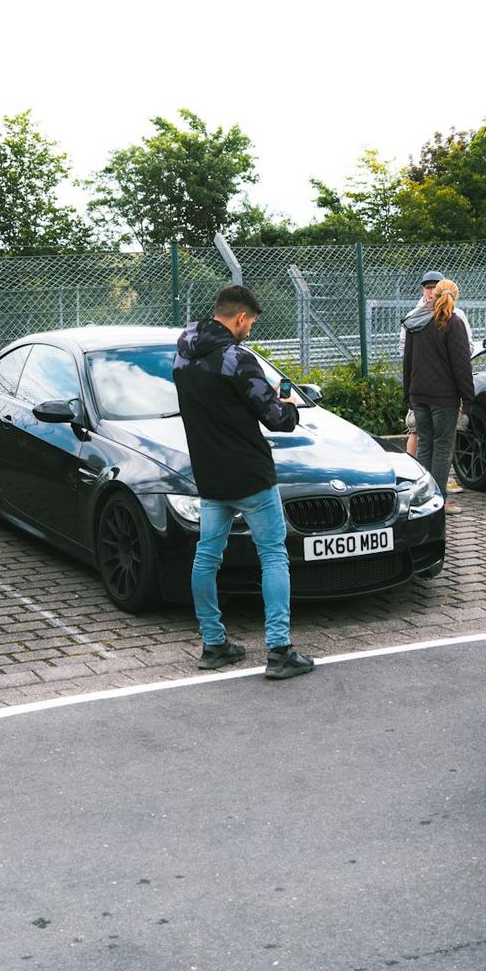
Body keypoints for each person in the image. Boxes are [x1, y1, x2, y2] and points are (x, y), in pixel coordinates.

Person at [173, 284, 315, 681]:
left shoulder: (182, 356)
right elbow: (275, 419)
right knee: (272, 555)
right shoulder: (237, 359)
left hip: (210, 474)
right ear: (239, 317)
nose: (250, 329)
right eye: (250, 322)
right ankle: (279, 650)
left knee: (206, 558)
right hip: (250, 474)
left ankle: (214, 644)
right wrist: (289, 409)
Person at [402, 278, 474, 511]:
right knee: (443, 448)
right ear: (454, 296)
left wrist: (408, 394)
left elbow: (408, 361)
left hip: (418, 394)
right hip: (444, 398)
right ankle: (439, 501)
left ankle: (423, 498)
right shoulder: (454, 322)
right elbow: (461, 364)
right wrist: (467, 398)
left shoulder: (415, 321)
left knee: (425, 446)